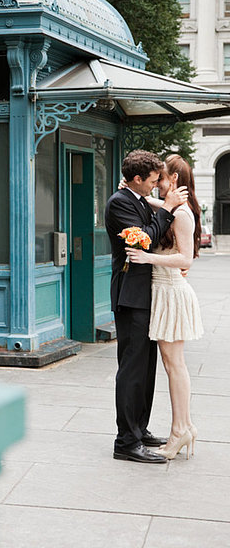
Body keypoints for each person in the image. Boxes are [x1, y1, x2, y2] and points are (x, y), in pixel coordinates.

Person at [105, 150, 188, 464]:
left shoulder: (137, 198)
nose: (156, 186)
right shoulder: (120, 202)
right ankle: (126, 441)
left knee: (146, 368)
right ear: (137, 179)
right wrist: (167, 208)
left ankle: (139, 429)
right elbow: (142, 242)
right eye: (152, 181)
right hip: (130, 296)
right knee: (131, 370)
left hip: (145, 294)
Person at [126, 154, 203, 460]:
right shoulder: (173, 208)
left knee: (175, 366)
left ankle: (180, 430)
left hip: (171, 293)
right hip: (164, 292)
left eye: (161, 178)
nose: (156, 183)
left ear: (174, 181)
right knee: (173, 366)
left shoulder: (182, 215)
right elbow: (158, 206)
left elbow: (186, 259)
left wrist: (149, 257)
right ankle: (184, 426)